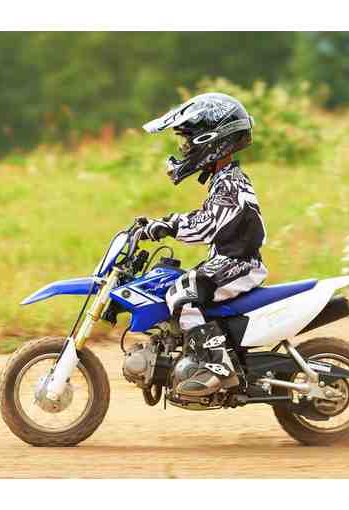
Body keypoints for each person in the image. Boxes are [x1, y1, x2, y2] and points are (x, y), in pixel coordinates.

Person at [137, 92, 267, 398]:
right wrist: (163, 223)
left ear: (211, 142)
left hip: (239, 264)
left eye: (187, 142)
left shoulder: (231, 182)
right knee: (173, 283)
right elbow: (209, 218)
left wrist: (168, 225)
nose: (183, 150)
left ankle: (216, 368)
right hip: (228, 261)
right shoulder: (223, 179)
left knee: (183, 295)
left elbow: (206, 224)